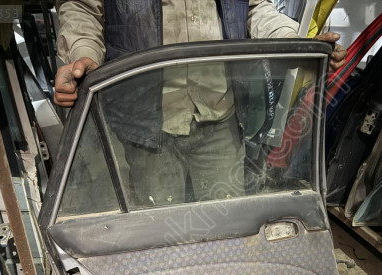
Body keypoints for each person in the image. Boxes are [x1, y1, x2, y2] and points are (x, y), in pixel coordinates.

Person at [54, 0, 347, 207]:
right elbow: (83, 7)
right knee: (158, 227)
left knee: (223, 220)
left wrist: (295, 43)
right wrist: (83, 54)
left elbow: (254, 7)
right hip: (147, 119)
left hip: (221, 115)